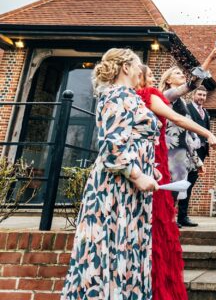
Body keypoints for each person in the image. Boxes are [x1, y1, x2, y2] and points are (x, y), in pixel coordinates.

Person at [62, 49, 160, 299]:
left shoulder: (131, 96)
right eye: (139, 66)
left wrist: (151, 169)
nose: (142, 71)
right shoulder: (118, 95)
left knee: (126, 247)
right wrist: (138, 175)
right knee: (112, 245)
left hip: (130, 190)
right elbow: (111, 148)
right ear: (126, 67)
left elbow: (131, 140)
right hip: (116, 191)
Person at [137, 65, 216, 300]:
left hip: (169, 154)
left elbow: (191, 87)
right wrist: (207, 134)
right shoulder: (156, 96)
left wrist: (211, 58)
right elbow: (177, 118)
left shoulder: (156, 96)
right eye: (148, 76)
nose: (152, 78)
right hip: (161, 156)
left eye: (154, 76)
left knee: (169, 204)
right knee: (160, 207)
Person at [160, 47, 216, 225]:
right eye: (177, 73)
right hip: (169, 154)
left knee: (174, 199)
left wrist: (197, 161)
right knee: (168, 198)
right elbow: (192, 84)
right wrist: (209, 58)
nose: (181, 74)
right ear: (169, 80)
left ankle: (170, 228)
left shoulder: (181, 103)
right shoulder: (168, 96)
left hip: (181, 157)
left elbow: (186, 135)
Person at [183, 86, 211, 227]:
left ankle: (183, 216)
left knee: (190, 184)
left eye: (204, 95)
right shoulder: (187, 109)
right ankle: (180, 217)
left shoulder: (205, 112)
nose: (201, 97)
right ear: (193, 95)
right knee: (184, 184)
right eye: (199, 94)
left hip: (200, 154)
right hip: (188, 152)